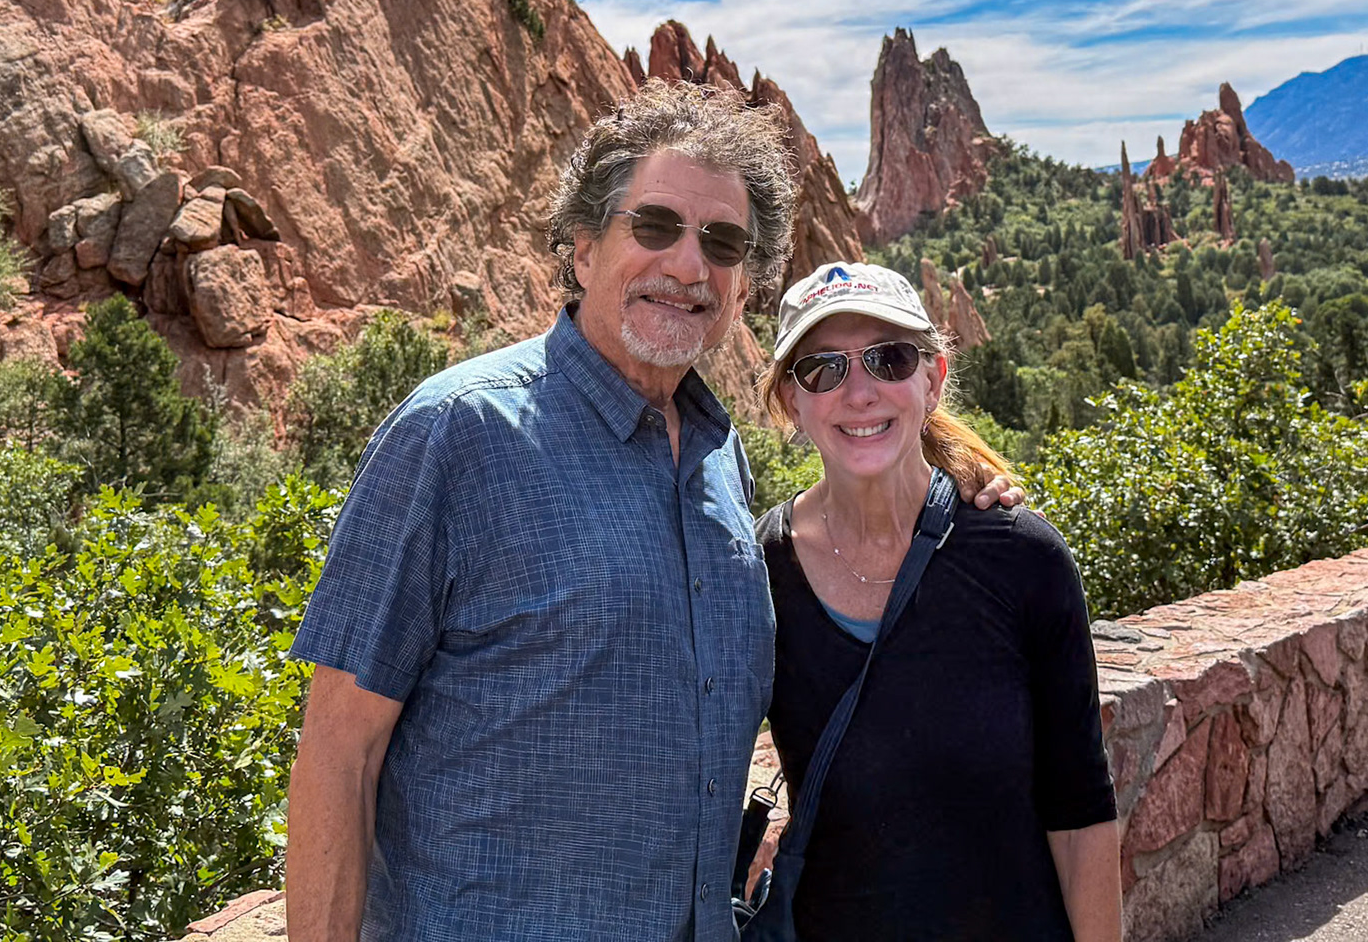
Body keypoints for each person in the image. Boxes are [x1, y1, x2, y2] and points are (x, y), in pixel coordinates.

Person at [283, 82, 1016, 942]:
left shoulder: (719, 458)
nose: (688, 266)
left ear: (742, 288)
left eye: (722, 242)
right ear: (583, 248)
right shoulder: (458, 434)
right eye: (656, 226)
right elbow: (339, 754)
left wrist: (950, 485)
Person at [754, 261, 1121, 942]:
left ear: (933, 379)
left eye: (889, 359)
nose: (859, 392)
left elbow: (1080, 809)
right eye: (823, 369)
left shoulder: (1021, 558)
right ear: (790, 401)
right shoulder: (760, 575)